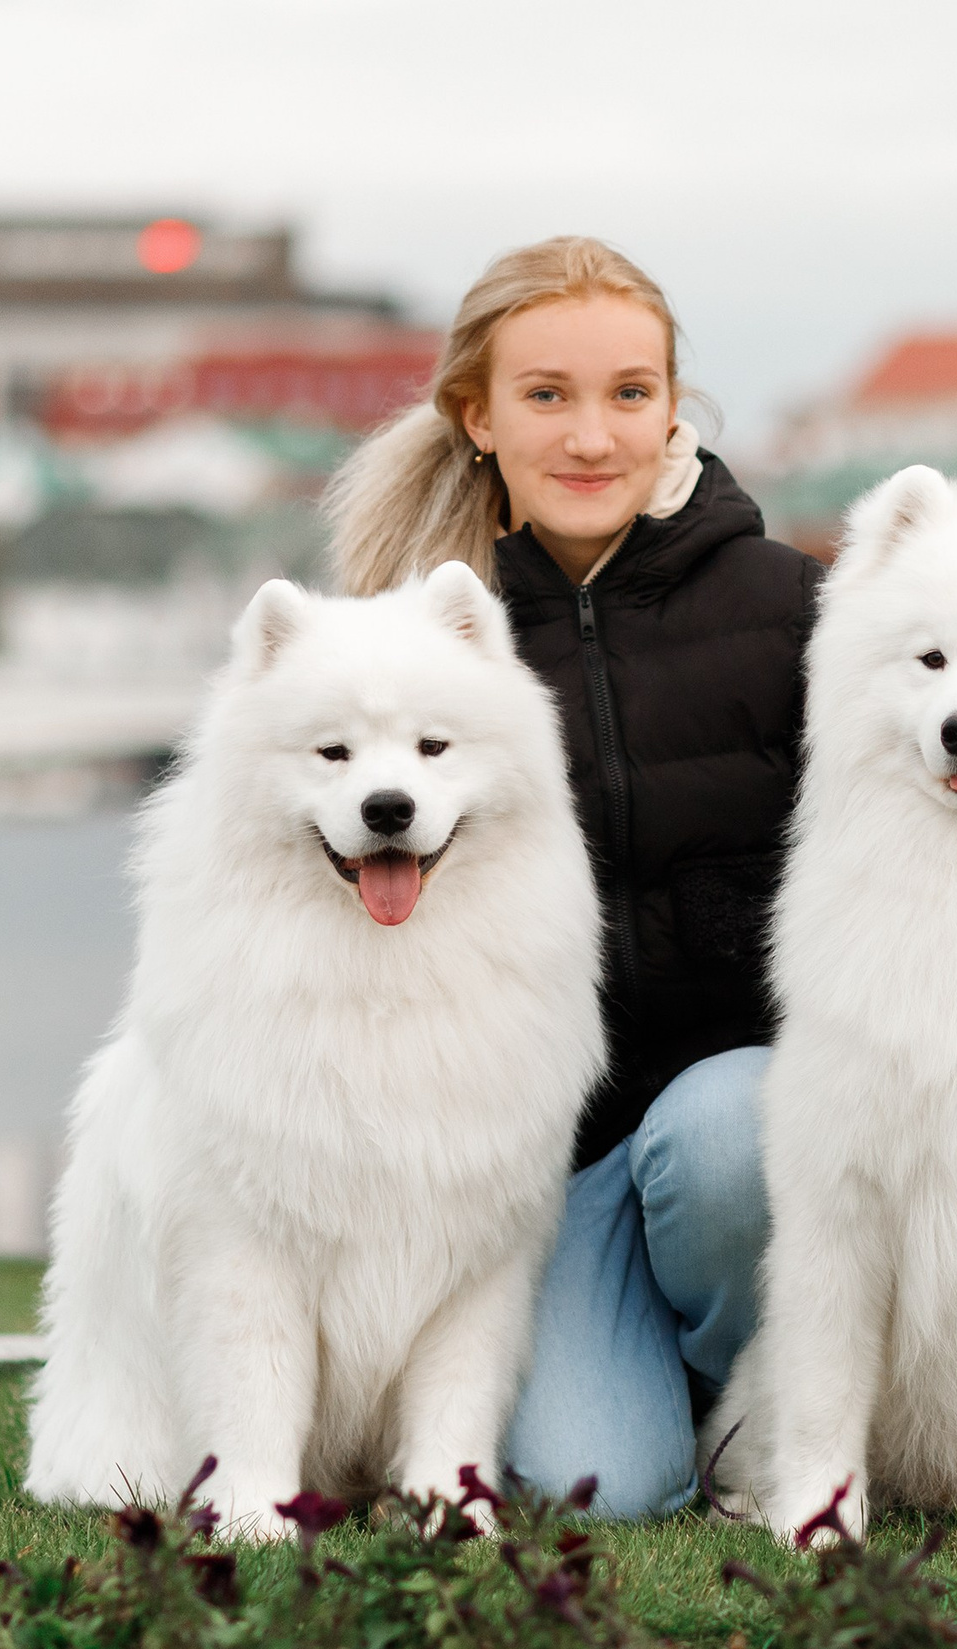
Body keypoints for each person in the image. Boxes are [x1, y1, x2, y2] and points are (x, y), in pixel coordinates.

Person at [322, 236, 819, 1518]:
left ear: (673, 409)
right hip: (539, 1162)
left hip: (745, 1118)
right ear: (475, 416)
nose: (593, 436)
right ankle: (657, 1422)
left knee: (725, 1142)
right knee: (596, 1488)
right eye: (546, 396)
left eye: (629, 394)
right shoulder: (408, 644)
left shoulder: (794, 609)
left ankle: (757, 1404)